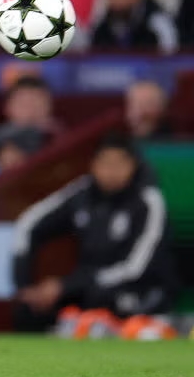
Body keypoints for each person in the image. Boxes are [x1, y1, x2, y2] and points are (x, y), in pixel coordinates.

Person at [13, 134, 179, 331]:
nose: (111, 171)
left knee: (102, 300)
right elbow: (27, 224)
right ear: (94, 165)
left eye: (119, 164)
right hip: (84, 287)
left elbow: (135, 268)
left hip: (139, 289)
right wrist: (25, 286)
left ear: (133, 166)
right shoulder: (81, 193)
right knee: (29, 310)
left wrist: (67, 285)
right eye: (105, 163)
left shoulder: (148, 201)